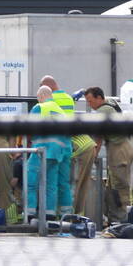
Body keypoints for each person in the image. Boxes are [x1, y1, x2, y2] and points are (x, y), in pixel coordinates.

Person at [40, 75, 96, 216]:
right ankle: (78, 216)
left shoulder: (50, 101)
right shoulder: (67, 98)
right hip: (87, 144)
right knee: (81, 184)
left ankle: (67, 217)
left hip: (76, 145)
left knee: (69, 183)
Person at [84, 86, 133, 225]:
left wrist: (93, 156)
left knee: (119, 185)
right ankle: (115, 218)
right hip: (121, 147)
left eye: (90, 101)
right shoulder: (111, 103)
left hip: (119, 150)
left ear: (99, 98)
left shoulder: (103, 110)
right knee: (112, 185)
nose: (89, 104)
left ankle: (121, 219)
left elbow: (98, 138)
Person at [26, 86, 73, 220]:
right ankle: (50, 214)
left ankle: (30, 213)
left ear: (41, 96)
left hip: (41, 150)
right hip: (58, 154)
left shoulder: (39, 107)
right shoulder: (60, 111)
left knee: (31, 182)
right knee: (51, 185)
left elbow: (28, 128)